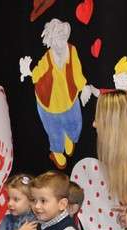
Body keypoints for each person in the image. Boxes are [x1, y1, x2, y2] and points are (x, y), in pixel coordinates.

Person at [19, 18, 96, 169]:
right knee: (54, 131)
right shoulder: (47, 57)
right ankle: (56, 152)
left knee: (75, 124)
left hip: (69, 98)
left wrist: (84, 87)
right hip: (49, 103)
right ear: (51, 40)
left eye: (63, 36)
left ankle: (68, 136)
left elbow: (77, 72)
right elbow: (37, 74)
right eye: (57, 38)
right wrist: (27, 71)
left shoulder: (72, 51)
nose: (61, 42)